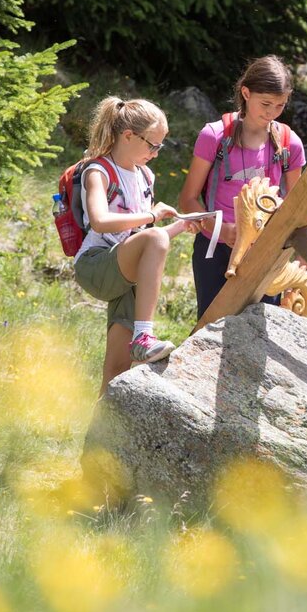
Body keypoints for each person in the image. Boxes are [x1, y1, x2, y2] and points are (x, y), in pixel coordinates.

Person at [72, 97, 196, 392]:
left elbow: (144, 240)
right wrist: (153, 216)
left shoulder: (145, 177)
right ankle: (144, 337)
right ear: (128, 136)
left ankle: (99, 435)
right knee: (154, 235)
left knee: (116, 371)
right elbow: (101, 221)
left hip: (126, 273)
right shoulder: (98, 172)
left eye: (160, 146)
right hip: (96, 263)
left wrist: (182, 225)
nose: (155, 153)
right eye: (152, 145)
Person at [177, 55, 306, 317]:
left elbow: (298, 209)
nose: (271, 113)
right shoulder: (214, 136)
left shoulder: (289, 144)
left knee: (258, 328)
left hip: (264, 253)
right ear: (246, 93)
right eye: (265, 103)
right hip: (215, 247)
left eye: (280, 105)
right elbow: (188, 200)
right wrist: (222, 231)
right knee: (211, 323)